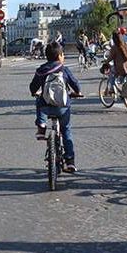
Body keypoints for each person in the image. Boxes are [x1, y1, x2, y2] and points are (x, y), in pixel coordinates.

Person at [30, 41, 83, 173]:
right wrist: (77, 93)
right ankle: (70, 161)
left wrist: (34, 92)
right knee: (66, 131)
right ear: (60, 56)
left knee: (39, 100)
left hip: (46, 107)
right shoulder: (64, 69)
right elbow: (76, 84)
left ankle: (41, 125)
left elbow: (33, 87)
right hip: (63, 107)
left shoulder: (41, 70)